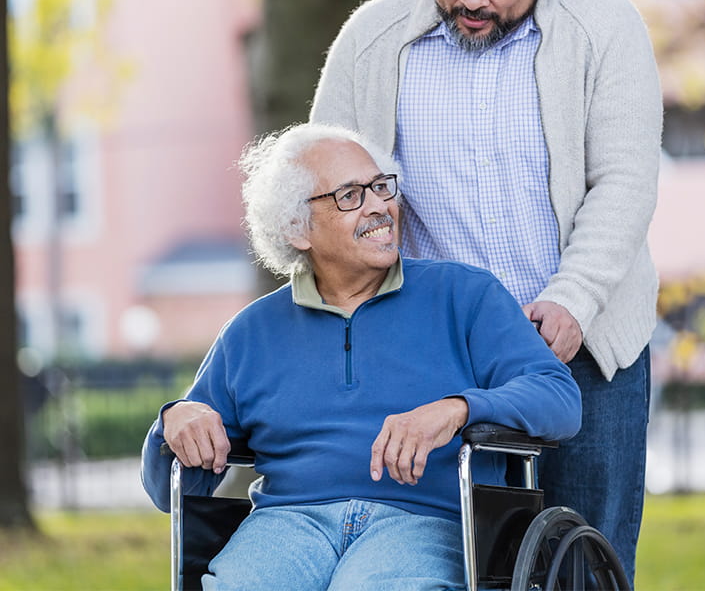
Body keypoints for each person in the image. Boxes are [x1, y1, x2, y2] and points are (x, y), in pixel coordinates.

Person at [310, 0, 663, 585]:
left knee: (584, 565)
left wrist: (575, 296)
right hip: (431, 360)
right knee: (447, 565)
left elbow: (625, 181)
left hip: (584, 348)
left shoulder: (605, 26)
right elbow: (322, 188)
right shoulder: (372, 41)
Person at [141, 122, 581, 591]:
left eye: (380, 187)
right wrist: (175, 420)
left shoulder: (465, 295)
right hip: (288, 525)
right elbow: (171, 489)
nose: (378, 206)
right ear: (297, 228)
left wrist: (458, 409)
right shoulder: (251, 333)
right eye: (350, 195)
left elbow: (559, 397)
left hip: (424, 522)